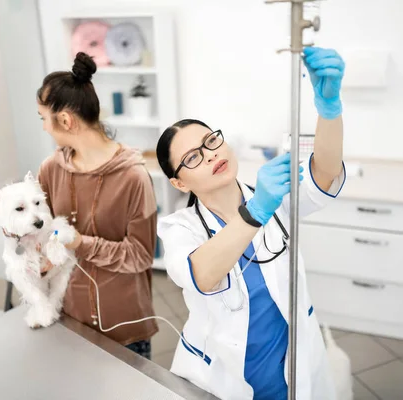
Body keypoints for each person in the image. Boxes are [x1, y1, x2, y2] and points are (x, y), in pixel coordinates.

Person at [155, 47, 346, 399]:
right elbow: (200, 273)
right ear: (179, 183)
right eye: (193, 157)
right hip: (224, 378)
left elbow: (327, 172)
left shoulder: (273, 197)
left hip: (294, 366)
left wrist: (329, 109)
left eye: (211, 140)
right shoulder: (181, 229)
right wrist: (255, 211)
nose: (211, 153)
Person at [36, 52, 158, 359]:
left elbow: (142, 256)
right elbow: (42, 235)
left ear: (64, 120)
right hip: (70, 319)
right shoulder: (50, 170)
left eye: (43, 119)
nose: (44, 128)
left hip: (124, 325)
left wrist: (81, 244)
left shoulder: (134, 177)